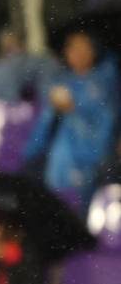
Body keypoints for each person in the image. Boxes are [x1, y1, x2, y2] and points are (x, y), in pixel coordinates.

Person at [22, 29, 118, 203]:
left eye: (83, 47)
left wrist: (75, 108)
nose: (77, 54)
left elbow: (104, 126)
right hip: (50, 161)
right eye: (72, 48)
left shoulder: (106, 82)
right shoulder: (60, 80)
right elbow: (41, 130)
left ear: (94, 49)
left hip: (90, 163)